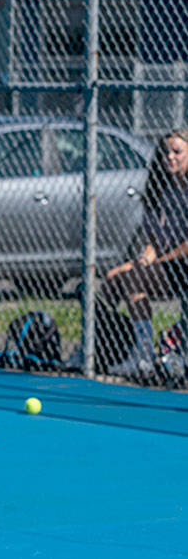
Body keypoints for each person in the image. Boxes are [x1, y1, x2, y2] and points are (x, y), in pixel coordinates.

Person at [100, 127, 188, 377]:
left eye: (177, 152)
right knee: (114, 279)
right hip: (170, 264)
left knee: (134, 278)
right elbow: (157, 242)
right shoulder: (166, 191)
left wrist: (155, 261)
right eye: (165, 152)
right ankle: (138, 353)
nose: (170, 157)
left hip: (182, 265)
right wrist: (141, 260)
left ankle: (151, 354)